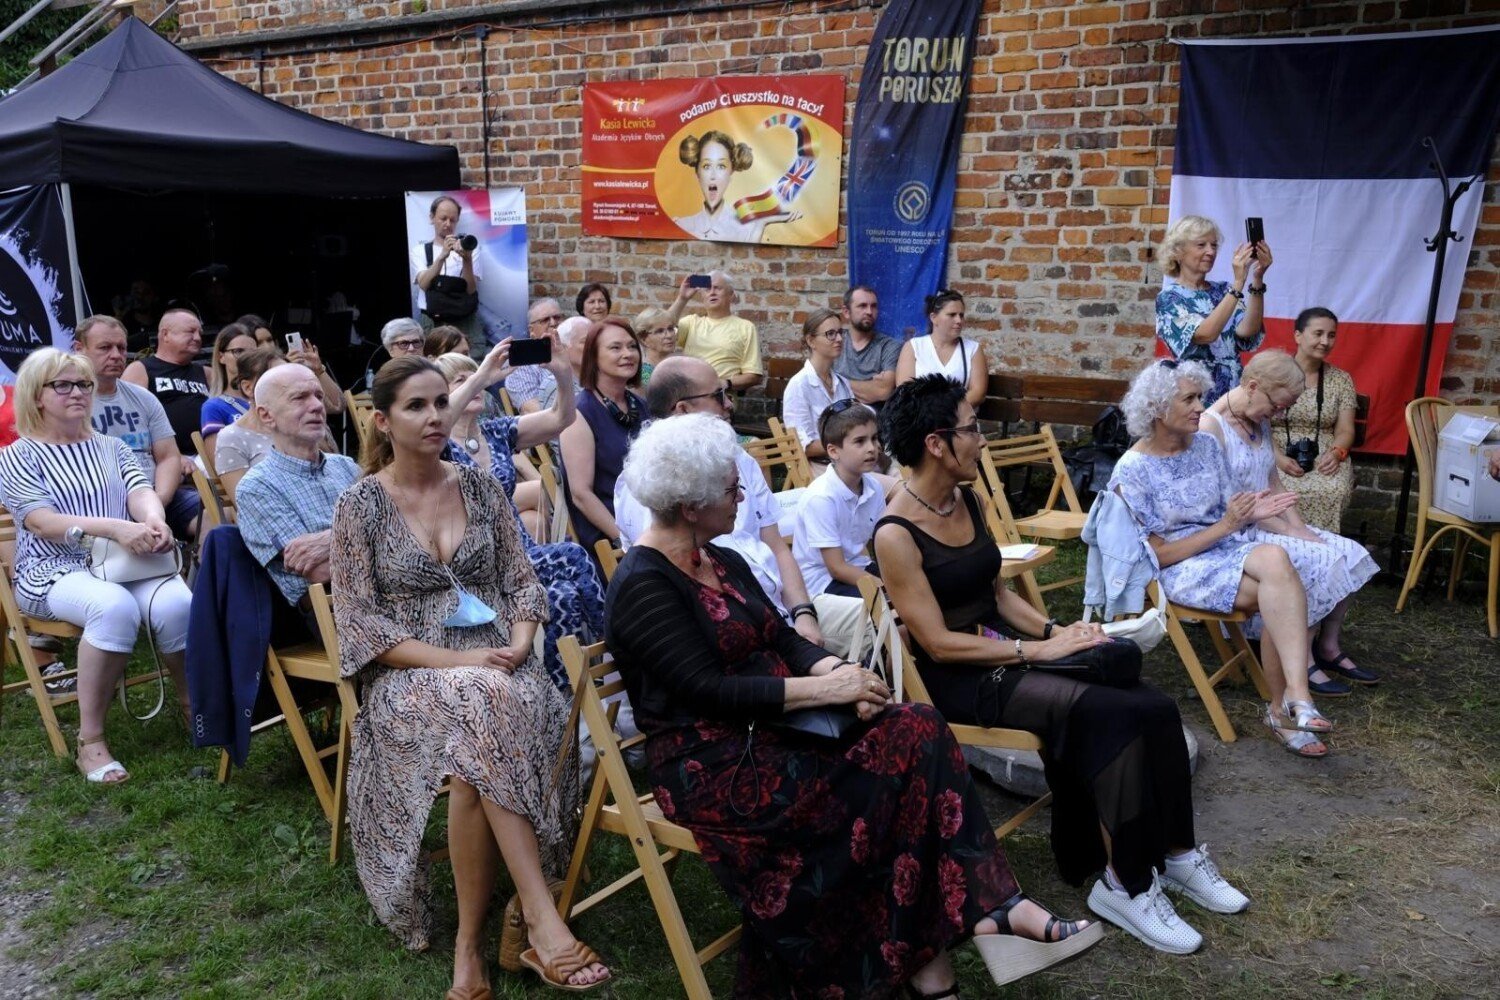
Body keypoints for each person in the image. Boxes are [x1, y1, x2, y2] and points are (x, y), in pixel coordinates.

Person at [607, 412, 1101, 998]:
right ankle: (951, 944)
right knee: (893, 773)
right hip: (713, 763)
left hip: (778, 728)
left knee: (915, 726)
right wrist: (824, 692)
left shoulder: (722, 559)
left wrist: (842, 672)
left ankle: (987, 913)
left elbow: (783, 637)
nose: (744, 498)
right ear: (690, 506)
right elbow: (708, 691)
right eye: (731, 489)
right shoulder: (643, 583)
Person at [875, 374, 1251, 956]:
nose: (982, 441)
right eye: (972, 429)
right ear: (936, 443)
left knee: (1155, 705)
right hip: (957, 680)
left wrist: (1057, 631)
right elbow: (939, 644)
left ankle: (1177, 853)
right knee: (1109, 713)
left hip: (1002, 654)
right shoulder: (896, 533)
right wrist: (1037, 651)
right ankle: (1123, 883)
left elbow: (997, 594)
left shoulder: (963, 496)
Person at [331, 356, 607, 993]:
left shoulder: (480, 487)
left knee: (471, 759)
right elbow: (363, 630)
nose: (434, 417)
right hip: (408, 677)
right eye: (416, 407)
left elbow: (521, 583)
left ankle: (468, 949)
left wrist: (516, 643)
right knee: (483, 704)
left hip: (499, 670)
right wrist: (464, 662)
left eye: (438, 403)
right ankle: (541, 922)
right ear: (382, 420)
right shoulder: (360, 506)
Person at [1109, 359, 1337, 758]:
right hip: (1182, 568)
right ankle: (1286, 709)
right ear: (1158, 409)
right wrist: (1227, 526)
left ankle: (1293, 702)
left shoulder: (1206, 446)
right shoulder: (1133, 469)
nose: (1201, 406)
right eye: (1190, 399)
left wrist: (1254, 512)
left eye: (1201, 397)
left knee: (1280, 571)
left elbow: (1233, 507)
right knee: (1281, 580)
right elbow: (1157, 556)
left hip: (1227, 551)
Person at [0, 349, 193, 784]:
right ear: (36, 396)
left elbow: (140, 489)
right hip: (52, 569)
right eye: (62, 385)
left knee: (178, 604)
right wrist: (115, 528)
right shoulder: (17, 456)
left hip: (123, 563)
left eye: (83, 385)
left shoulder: (111, 445)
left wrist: (153, 519)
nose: (78, 393)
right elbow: (41, 522)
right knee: (113, 607)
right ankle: (91, 742)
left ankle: (192, 709)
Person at [615, 356, 872, 660]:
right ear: (683, 410)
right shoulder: (651, 483)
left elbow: (776, 546)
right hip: (732, 629)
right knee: (843, 669)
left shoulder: (741, 460)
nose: (729, 404)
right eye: (718, 395)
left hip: (781, 607)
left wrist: (803, 613)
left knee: (883, 621)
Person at [1200, 351, 1378, 693]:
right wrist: (1292, 534)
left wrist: (1299, 528)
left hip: (1266, 522)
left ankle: (1327, 645)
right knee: (1318, 559)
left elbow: (1274, 484)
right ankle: (1301, 658)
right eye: (1279, 405)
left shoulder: (1258, 419)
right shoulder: (1212, 427)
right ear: (1253, 386)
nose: (1280, 414)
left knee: (1349, 551)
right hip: (1237, 533)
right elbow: (1225, 509)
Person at [435, 344, 607, 692]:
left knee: (562, 597)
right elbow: (436, 424)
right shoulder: (435, 445)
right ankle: (620, 647)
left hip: (523, 557)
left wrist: (561, 373)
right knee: (573, 556)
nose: (474, 384)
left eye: (475, 376)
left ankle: (565, 695)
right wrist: (482, 375)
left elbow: (562, 418)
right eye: (460, 381)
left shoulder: (496, 432)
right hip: (477, 565)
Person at [236, 365, 359, 625]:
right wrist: (377, 534)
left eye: (318, 395)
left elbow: (403, 530)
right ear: (266, 416)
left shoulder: (346, 467)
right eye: (299, 397)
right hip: (338, 612)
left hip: (391, 593)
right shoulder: (258, 487)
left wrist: (328, 539)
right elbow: (319, 571)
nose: (317, 406)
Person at [76, 315, 201, 540]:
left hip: (156, 498)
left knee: (212, 514)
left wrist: (157, 503)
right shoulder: (70, 400)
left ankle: (201, 574)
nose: (116, 355)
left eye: (122, 348)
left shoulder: (144, 398)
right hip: (100, 508)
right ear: (79, 349)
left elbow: (168, 457)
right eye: (105, 347)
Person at [1155, 215, 1273, 405]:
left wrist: (1257, 278)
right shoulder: (1170, 297)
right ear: (1177, 252)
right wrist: (1238, 284)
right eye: (1201, 245)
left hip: (1232, 393)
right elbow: (1205, 334)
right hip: (1196, 396)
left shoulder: (1223, 290)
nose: (1210, 251)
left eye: (1214, 245)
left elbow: (1247, 331)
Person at [559, 319, 645, 552]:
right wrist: (630, 541)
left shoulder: (640, 405)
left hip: (650, 521)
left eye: (632, 346)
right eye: (615, 348)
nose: (628, 354)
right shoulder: (579, 414)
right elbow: (581, 495)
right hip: (610, 537)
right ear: (593, 356)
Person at [1276, 307, 1359, 533]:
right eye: (1318, 333)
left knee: (1333, 490)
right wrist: (1278, 458)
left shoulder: (1341, 380)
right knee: (1277, 490)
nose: (1325, 341)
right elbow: (1255, 422)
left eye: (1331, 335)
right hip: (1274, 451)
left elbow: (1345, 430)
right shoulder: (1275, 372)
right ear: (1298, 336)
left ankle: (1321, 552)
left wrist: (1336, 453)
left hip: (1323, 453)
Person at [792, 401, 884, 599]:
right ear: (833, 451)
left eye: (874, 438)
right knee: (887, 604)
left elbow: (881, 543)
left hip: (858, 567)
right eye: (860, 441)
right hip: (822, 581)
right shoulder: (821, 497)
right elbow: (837, 568)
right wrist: (885, 587)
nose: (872, 448)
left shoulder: (873, 487)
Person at [670, 129, 798, 243]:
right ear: (697, 173)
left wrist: (761, 223)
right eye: (706, 166)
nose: (713, 175)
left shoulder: (746, 228)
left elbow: (748, 263)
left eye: (721, 166)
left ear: (730, 173)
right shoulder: (682, 225)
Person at [123, 307, 212, 459]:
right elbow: (130, 424)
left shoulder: (207, 373)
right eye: (190, 331)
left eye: (199, 333)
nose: (197, 338)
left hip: (209, 458)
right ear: (165, 334)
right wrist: (171, 457)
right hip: (163, 459)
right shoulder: (140, 370)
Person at [663, 271, 763, 393]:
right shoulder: (691, 323)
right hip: (688, 392)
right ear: (702, 297)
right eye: (707, 289)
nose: (712, 292)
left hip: (720, 396)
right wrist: (682, 298)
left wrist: (723, 384)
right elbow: (661, 327)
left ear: (731, 295)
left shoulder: (745, 327)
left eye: (718, 288)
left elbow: (754, 376)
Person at [781, 308, 854, 465]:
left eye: (841, 332)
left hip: (849, 462)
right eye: (831, 334)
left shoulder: (842, 383)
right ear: (811, 341)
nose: (839, 338)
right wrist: (848, 443)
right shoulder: (798, 385)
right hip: (818, 466)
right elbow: (802, 446)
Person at [409, 194, 484, 348]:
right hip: (432, 320)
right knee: (433, 365)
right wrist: (442, 257)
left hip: (464, 319)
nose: (448, 224)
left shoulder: (470, 248)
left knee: (469, 364)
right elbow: (423, 284)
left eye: (452, 220)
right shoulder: (420, 250)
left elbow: (471, 289)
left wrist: (467, 259)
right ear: (432, 217)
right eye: (443, 218)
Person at [212, 347, 288, 492]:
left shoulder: (296, 427)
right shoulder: (232, 437)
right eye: (276, 380)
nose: (290, 387)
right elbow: (243, 503)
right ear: (248, 387)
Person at [896, 290, 988, 408]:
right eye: (952, 315)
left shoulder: (972, 349)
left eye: (961, 315)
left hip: (958, 420)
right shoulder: (914, 347)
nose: (959, 320)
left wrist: (944, 410)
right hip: (921, 420)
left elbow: (977, 394)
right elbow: (905, 391)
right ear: (934, 318)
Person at [506, 306, 584, 415]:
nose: (553, 323)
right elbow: (531, 410)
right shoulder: (523, 364)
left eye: (557, 317)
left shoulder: (576, 353)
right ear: (531, 330)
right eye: (545, 320)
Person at [200, 323, 259, 465]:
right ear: (221, 357)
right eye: (238, 351)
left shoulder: (268, 397)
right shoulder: (214, 406)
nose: (246, 358)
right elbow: (220, 464)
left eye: (252, 353)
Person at [836, 284, 902, 409]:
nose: (869, 312)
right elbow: (817, 383)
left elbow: (883, 391)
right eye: (862, 306)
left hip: (872, 421)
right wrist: (868, 386)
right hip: (834, 417)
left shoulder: (889, 346)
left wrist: (835, 382)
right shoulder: (835, 342)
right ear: (846, 312)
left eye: (874, 306)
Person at [632, 306, 678, 386]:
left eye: (670, 329)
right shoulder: (641, 374)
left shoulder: (679, 366)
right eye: (660, 331)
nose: (669, 335)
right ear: (643, 339)